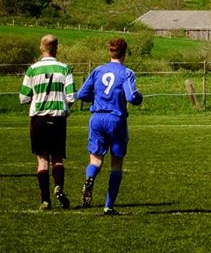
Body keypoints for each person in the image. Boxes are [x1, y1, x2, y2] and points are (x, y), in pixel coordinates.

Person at [76, 37, 143, 215]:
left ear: (110, 52)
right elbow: (131, 97)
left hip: (97, 118)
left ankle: (90, 178)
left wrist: (99, 97)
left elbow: (82, 94)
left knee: (95, 160)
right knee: (116, 164)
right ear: (125, 53)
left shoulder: (98, 70)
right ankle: (108, 205)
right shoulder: (127, 73)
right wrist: (139, 97)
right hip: (115, 120)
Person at [19, 35, 75, 210]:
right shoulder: (64, 69)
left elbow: (23, 98)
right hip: (58, 118)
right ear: (56, 48)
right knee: (57, 158)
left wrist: (37, 98)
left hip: (39, 119)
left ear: (41, 48)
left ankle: (45, 199)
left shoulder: (32, 70)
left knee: (42, 160)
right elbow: (72, 96)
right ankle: (59, 186)